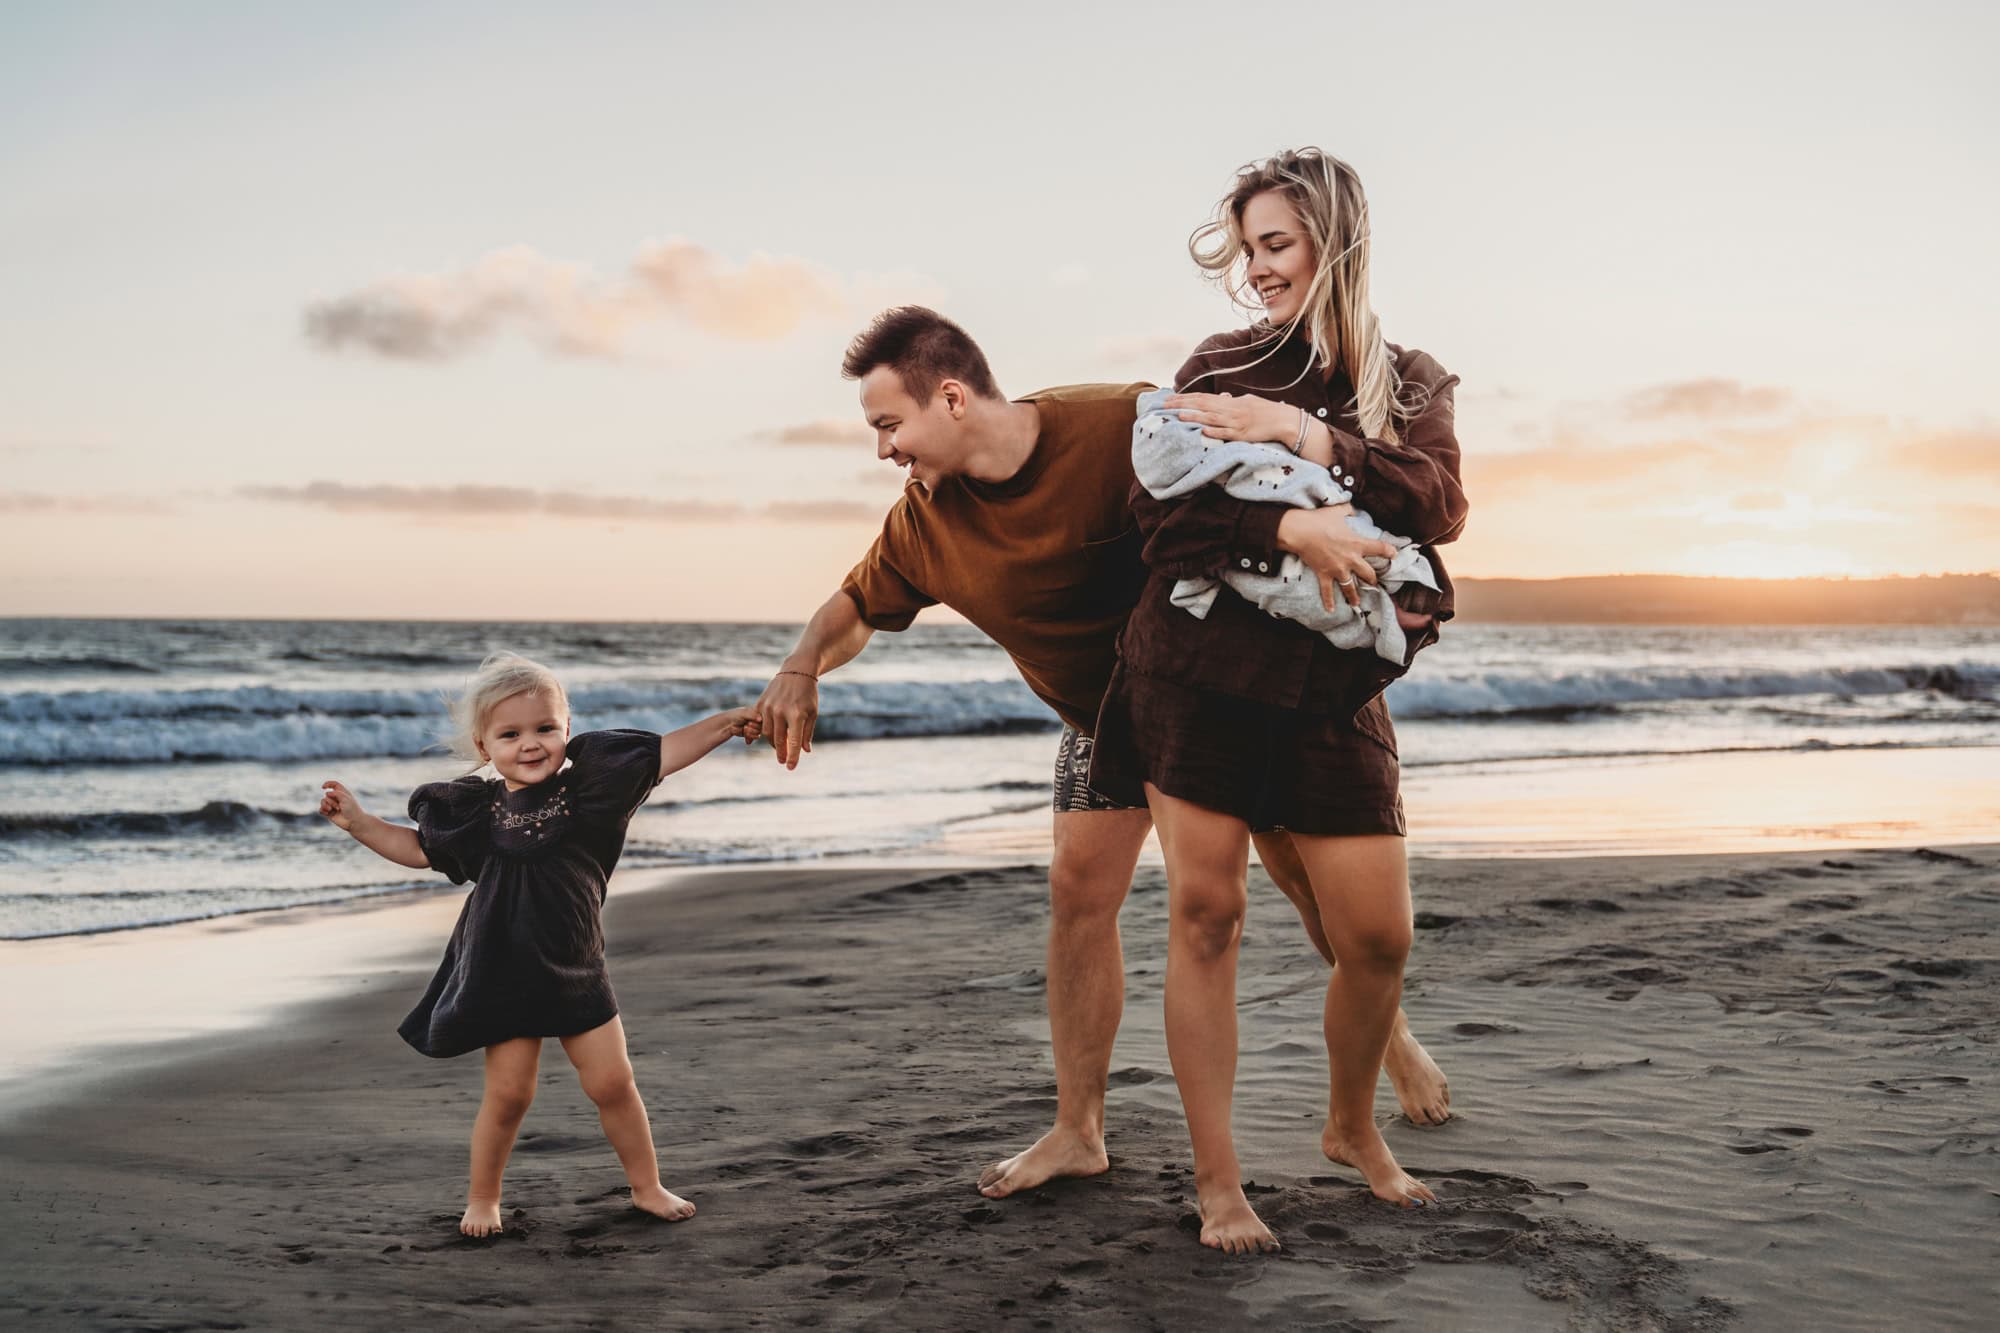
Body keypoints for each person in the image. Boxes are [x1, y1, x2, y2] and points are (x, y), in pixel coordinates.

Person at [754, 306, 1452, 1212]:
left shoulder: (1115, 424)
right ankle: (1079, 1129)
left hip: (1213, 699)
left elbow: (1231, 487)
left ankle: (1383, 1036)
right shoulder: (923, 523)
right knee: (1079, 891)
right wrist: (801, 666)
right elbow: (855, 605)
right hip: (1099, 719)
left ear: (952, 397)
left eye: (891, 425)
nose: (885, 450)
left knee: (1301, 881)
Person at [1087, 147, 1469, 1252]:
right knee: (1208, 917)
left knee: (1378, 937)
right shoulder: (1217, 362)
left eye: (1275, 245)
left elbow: (1435, 504)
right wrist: (1282, 525)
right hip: (1196, 678)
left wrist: (1305, 439)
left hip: (1330, 689)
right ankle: (1220, 1185)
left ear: (1331, 241)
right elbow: (1158, 521)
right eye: (1246, 247)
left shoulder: (1408, 380)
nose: (1255, 270)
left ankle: (1350, 1126)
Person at [319, 651, 760, 1237]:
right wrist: (360, 823)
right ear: (485, 747)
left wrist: (728, 722)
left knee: (613, 1084)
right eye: (511, 733)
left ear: (567, 731)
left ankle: (647, 1186)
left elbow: (665, 754)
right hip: (500, 970)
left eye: (545, 728)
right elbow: (420, 851)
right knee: (508, 1097)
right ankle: (483, 1199)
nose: (530, 743)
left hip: (576, 966)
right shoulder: (475, 815)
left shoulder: (594, 795)